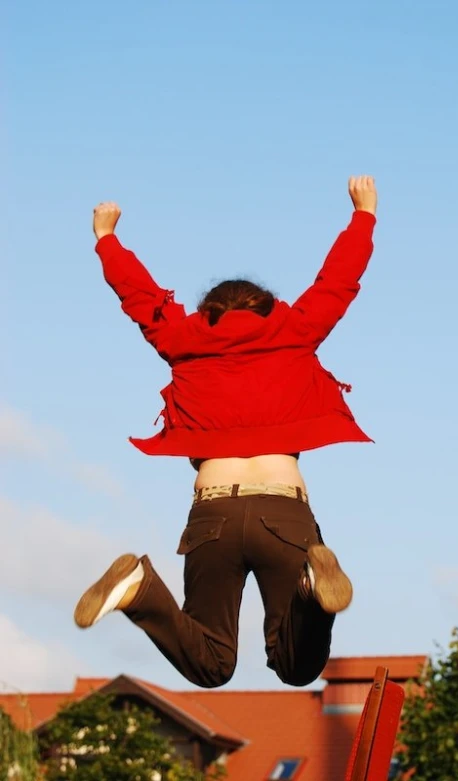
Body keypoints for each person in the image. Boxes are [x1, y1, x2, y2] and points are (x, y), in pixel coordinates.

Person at [74, 176, 378, 689]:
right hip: (284, 509)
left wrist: (106, 239)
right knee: (297, 666)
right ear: (267, 306)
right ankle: (308, 587)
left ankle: (139, 588)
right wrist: (364, 214)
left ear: (208, 312)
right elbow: (337, 282)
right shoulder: (295, 331)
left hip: (212, 511)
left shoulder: (182, 340)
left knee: (212, 664)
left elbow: (140, 297)